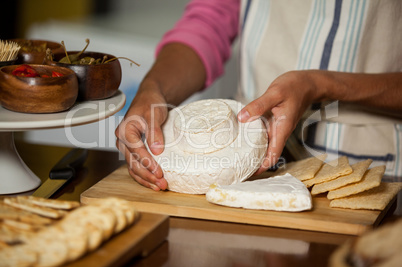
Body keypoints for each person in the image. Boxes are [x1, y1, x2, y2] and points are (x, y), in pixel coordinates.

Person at [115, 0, 402, 191]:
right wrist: (154, 88)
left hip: (374, 168)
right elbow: (208, 22)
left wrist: (320, 84)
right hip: (246, 152)